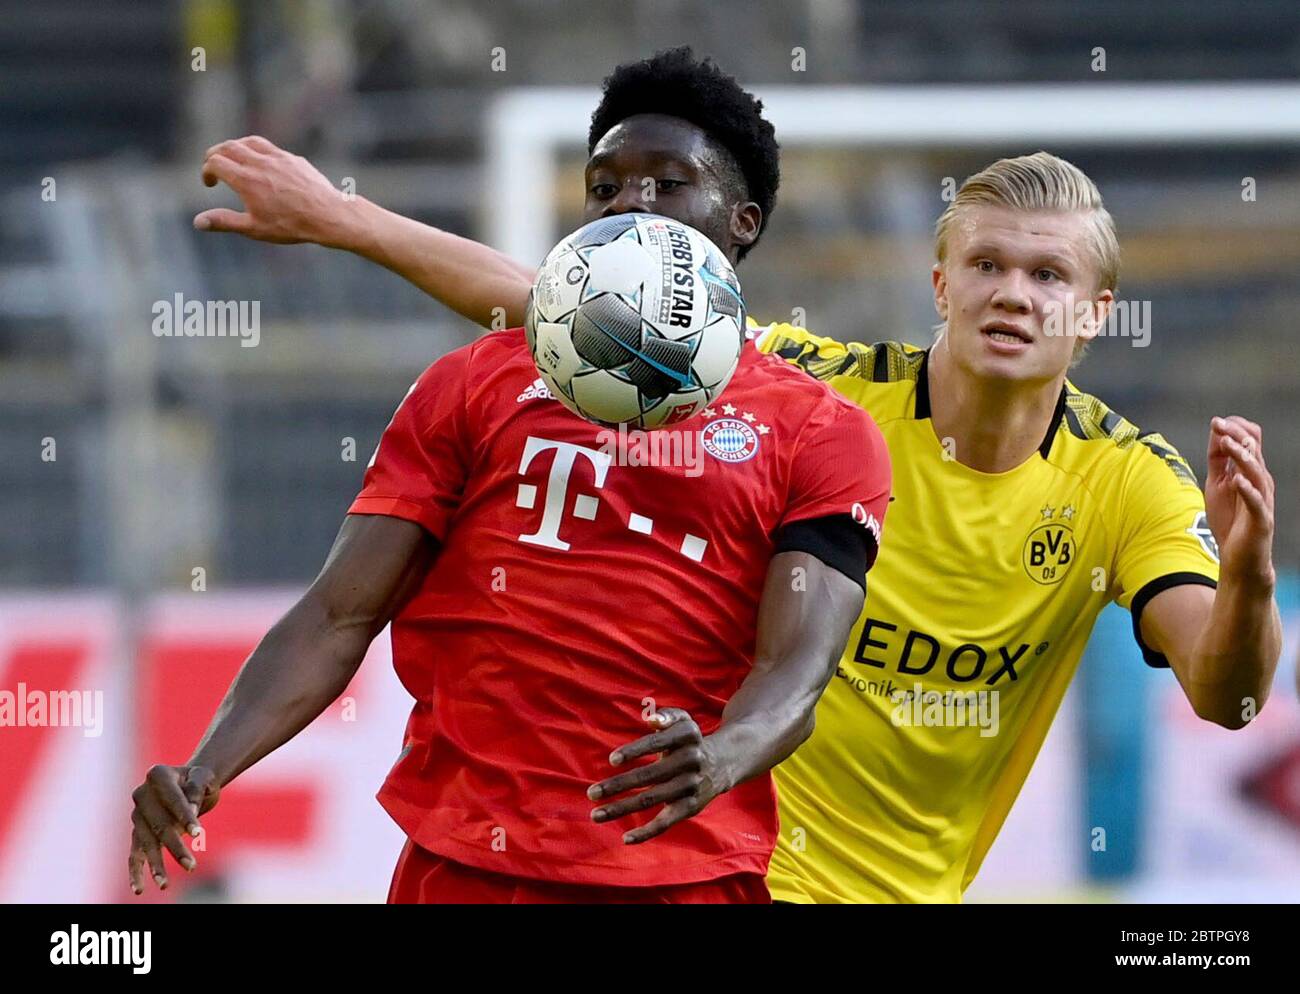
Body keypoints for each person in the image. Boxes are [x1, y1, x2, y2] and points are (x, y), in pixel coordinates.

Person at [190, 50, 1282, 903]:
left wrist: (1243, 572)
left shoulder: (1129, 483)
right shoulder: (821, 395)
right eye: (989, 264)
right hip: (724, 868)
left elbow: (1226, 695)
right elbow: (569, 306)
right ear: (941, 282)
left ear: (1094, 313)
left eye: (1049, 274)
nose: (1014, 293)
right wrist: (342, 219)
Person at [126, 50, 893, 904]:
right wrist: (207, 765)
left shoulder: (820, 432)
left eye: (668, 183)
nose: (628, 203)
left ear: (742, 221)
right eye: (604, 186)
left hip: (677, 873)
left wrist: (726, 752)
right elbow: (340, 613)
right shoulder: (474, 382)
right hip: (464, 867)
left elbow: (798, 668)